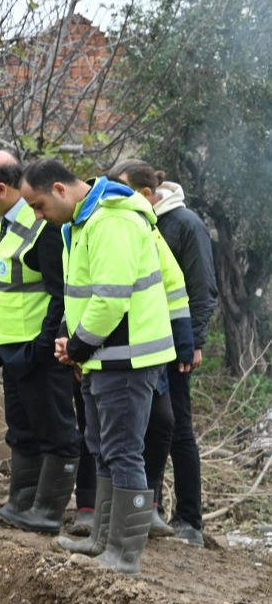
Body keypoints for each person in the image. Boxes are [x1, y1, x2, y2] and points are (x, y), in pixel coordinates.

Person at [20, 160, 189, 576]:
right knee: (101, 447)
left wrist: (77, 346)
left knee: (123, 452)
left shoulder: (111, 220)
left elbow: (111, 298)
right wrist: (68, 337)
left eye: (39, 206)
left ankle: (125, 553)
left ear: (60, 189)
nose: (39, 216)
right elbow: (80, 293)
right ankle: (103, 540)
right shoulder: (82, 222)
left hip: (127, 357)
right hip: (103, 355)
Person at [0, 151, 81, 534]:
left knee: (55, 430)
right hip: (9, 347)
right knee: (21, 428)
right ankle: (20, 504)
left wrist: (43, 343)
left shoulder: (45, 227)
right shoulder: (1, 224)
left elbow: (60, 294)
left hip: (38, 349)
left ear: (1, 188)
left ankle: (47, 512)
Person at [111, 159, 217, 547]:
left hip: (175, 345)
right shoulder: (135, 222)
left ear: (145, 192)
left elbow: (202, 287)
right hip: (141, 344)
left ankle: (190, 518)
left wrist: (197, 341)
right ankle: (146, 507)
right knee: (147, 426)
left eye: (120, 188)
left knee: (178, 428)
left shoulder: (184, 224)